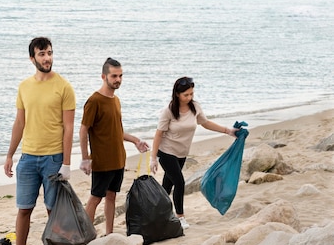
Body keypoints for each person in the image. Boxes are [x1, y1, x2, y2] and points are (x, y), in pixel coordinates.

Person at [4, 36, 76, 245]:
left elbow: (69, 128)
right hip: (27, 158)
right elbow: (19, 122)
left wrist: (66, 163)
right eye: (42, 54)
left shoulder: (64, 86)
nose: (47, 58)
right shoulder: (24, 86)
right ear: (32, 58)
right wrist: (9, 155)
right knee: (24, 209)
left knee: (52, 210)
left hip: (53, 158)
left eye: (49, 53)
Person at [150, 77, 238, 229]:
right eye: (186, 95)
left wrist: (227, 131)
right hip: (166, 151)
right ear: (177, 94)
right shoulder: (168, 111)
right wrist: (153, 158)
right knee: (179, 182)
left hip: (182, 152)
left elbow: (205, 123)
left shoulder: (195, 107)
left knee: (167, 184)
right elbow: (158, 134)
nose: (190, 97)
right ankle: (180, 217)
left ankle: (159, 214)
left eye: (192, 94)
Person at [79, 58, 149, 236]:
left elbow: (117, 130)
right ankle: (86, 235)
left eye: (120, 76)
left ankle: (109, 234)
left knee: (111, 197)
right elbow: (83, 130)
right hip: (102, 161)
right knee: (95, 198)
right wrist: (85, 158)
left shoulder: (116, 100)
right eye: (114, 76)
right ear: (104, 76)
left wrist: (135, 140)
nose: (118, 79)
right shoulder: (94, 101)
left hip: (118, 159)